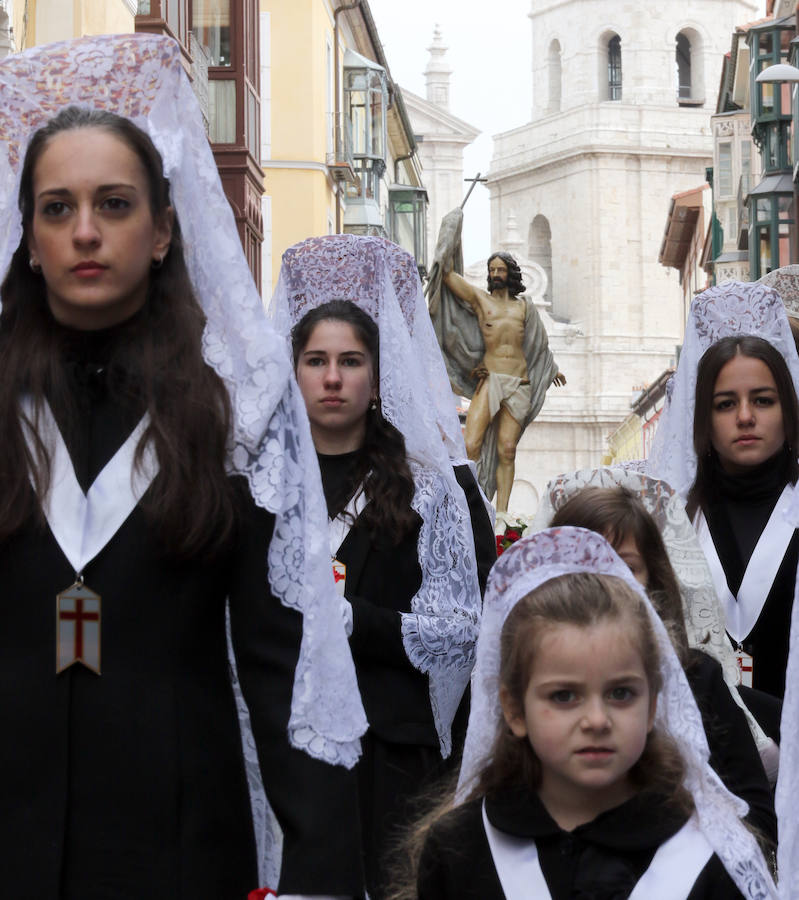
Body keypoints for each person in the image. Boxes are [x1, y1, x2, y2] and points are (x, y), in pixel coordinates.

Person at [0, 35, 368, 899]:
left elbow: (289, 665)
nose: (85, 231)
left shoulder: (233, 413)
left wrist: (316, 873)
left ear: (163, 229)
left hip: (176, 841)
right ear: (28, 239)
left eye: (114, 204)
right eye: (56, 208)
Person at [271, 235, 486, 899]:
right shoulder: (260, 484)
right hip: (284, 742)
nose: (331, 378)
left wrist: (350, 621)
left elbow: (463, 634)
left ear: (376, 375)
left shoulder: (431, 489)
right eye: (315, 361)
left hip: (390, 754)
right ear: (293, 369)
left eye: (350, 361)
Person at [400, 528, 775, 899]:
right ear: (513, 709)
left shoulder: (705, 859)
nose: (597, 720)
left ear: (653, 706)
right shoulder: (462, 849)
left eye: (621, 693)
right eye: (564, 696)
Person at [548, 486, 776, 842]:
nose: (608, 580)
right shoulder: (534, 682)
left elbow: (757, 815)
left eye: (626, 565)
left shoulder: (698, 676)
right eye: (586, 563)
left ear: (651, 578)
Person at [426, 207, 565, 512]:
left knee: (508, 449)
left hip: (519, 383)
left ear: (510, 274)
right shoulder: (480, 301)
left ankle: (501, 514)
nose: (495, 274)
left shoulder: (525, 307)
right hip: (490, 381)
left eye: (500, 270)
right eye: (492, 270)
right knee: (471, 445)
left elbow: (537, 345)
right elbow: (446, 276)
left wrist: (551, 368)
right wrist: (451, 229)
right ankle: (469, 505)